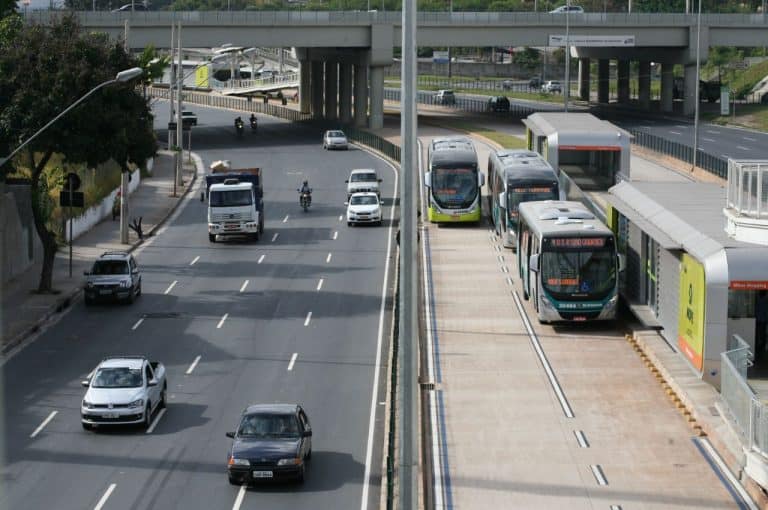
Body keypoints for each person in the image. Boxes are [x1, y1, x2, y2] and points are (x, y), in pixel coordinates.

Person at [756, 290, 768, 362]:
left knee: (758, 333)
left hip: (757, 320)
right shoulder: (765, 301)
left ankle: (758, 345)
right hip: (763, 320)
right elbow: (766, 311)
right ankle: (761, 347)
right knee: (762, 333)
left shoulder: (757, 300)